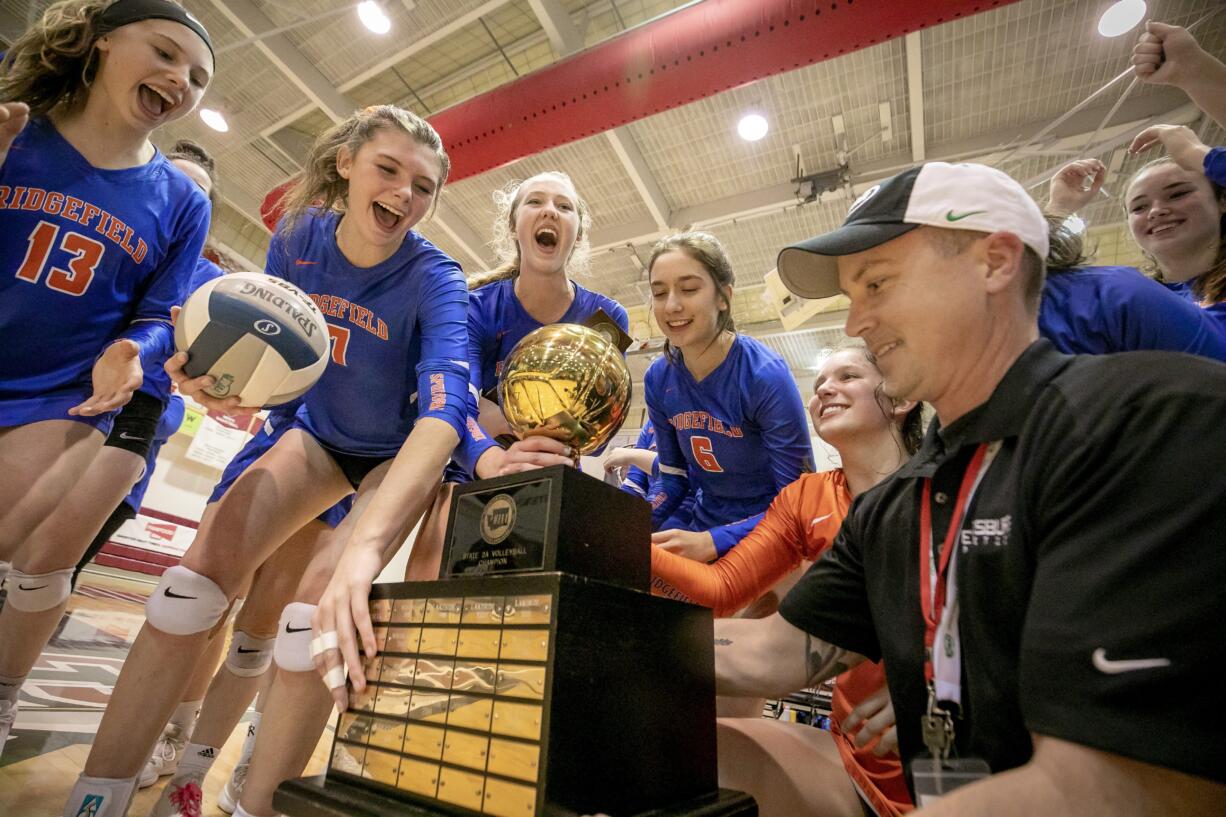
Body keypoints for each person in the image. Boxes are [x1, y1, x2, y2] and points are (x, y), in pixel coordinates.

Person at [717, 161, 1226, 814]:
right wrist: (571, 635)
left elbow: (1121, 788)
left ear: (995, 262)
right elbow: (776, 649)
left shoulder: (1142, 422)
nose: (854, 323)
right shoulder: (896, 503)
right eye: (852, 295)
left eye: (876, 283)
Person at [62, 103, 469, 817]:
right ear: (346, 163)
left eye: (425, 186)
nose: (406, 194)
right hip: (313, 435)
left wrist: (365, 551)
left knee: (315, 624)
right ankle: (99, 798)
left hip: (392, 457)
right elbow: (264, 363)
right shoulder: (300, 239)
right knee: (190, 591)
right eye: (389, 169)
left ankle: (250, 797)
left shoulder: (435, 277)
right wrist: (215, 381)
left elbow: (445, 413)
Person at [0, 0, 214, 753]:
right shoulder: (15, 126)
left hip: (69, 397)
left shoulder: (183, 202)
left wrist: (136, 350)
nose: (181, 79)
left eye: (197, 77)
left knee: (33, 559)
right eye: (164, 53)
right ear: (99, 42)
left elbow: (163, 314)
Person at [654, 343, 922, 816]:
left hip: (952, 752)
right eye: (819, 384)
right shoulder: (808, 497)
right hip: (857, 754)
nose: (825, 389)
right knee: (690, 754)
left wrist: (935, 686)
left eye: (848, 377)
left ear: (901, 400)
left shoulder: (944, 491)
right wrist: (625, 543)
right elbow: (724, 591)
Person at [404, 170, 630, 580]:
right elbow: (453, 407)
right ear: (513, 226)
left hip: (556, 473)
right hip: (471, 467)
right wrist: (491, 460)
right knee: (424, 596)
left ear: (577, 234)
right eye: (536, 202)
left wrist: (504, 418)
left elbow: (597, 439)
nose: (550, 212)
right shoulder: (475, 307)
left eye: (564, 207)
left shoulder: (607, 319)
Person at [642, 231, 814, 563]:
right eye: (659, 293)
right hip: (703, 521)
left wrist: (715, 540)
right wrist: (633, 524)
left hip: (768, 529)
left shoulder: (764, 376)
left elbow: (798, 503)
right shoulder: (657, 378)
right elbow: (673, 481)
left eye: (689, 289)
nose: (672, 305)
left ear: (724, 297)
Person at [1035, 158, 1226, 359]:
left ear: (1222, 201)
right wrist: (1059, 207)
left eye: (1178, 194)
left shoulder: (1126, 295)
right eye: (1139, 207)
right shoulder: (1128, 302)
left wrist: (1195, 153)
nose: (1156, 211)